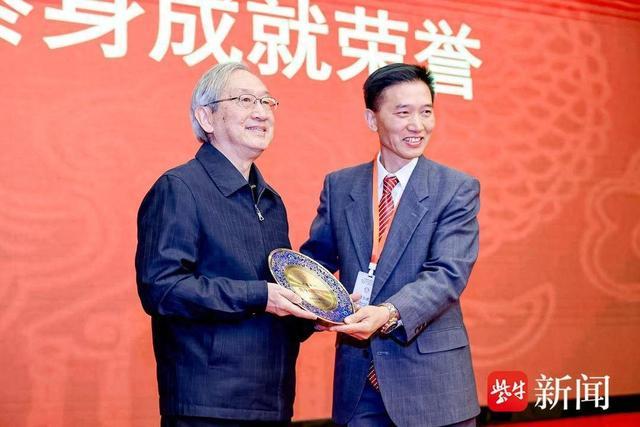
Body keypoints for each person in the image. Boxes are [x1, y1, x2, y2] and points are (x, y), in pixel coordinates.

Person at [135, 62, 316, 427]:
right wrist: (259, 296)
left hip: (272, 402)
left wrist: (316, 311)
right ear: (206, 117)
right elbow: (162, 289)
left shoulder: (271, 201)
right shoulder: (179, 188)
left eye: (267, 102)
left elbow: (274, 298)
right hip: (209, 406)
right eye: (245, 100)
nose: (261, 113)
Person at [301, 63, 481, 427]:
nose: (418, 125)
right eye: (403, 113)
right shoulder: (341, 186)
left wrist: (388, 313)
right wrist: (313, 303)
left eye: (426, 112)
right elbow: (316, 261)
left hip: (431, 385)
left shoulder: (455, 189)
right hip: (358, 387)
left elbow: (447, 274)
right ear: (372, 119)